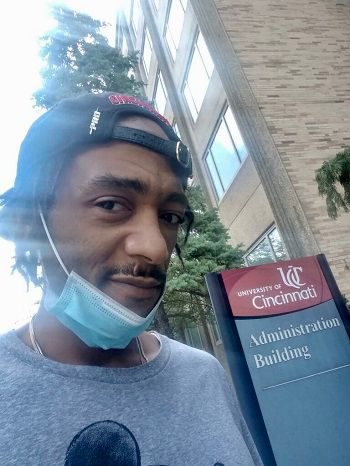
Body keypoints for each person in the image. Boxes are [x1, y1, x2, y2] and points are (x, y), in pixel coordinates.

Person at [0, 92, 262, 465]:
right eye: (110, 204)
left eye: (170, 216)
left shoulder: (202, 375)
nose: (155, 249)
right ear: (27, 223)